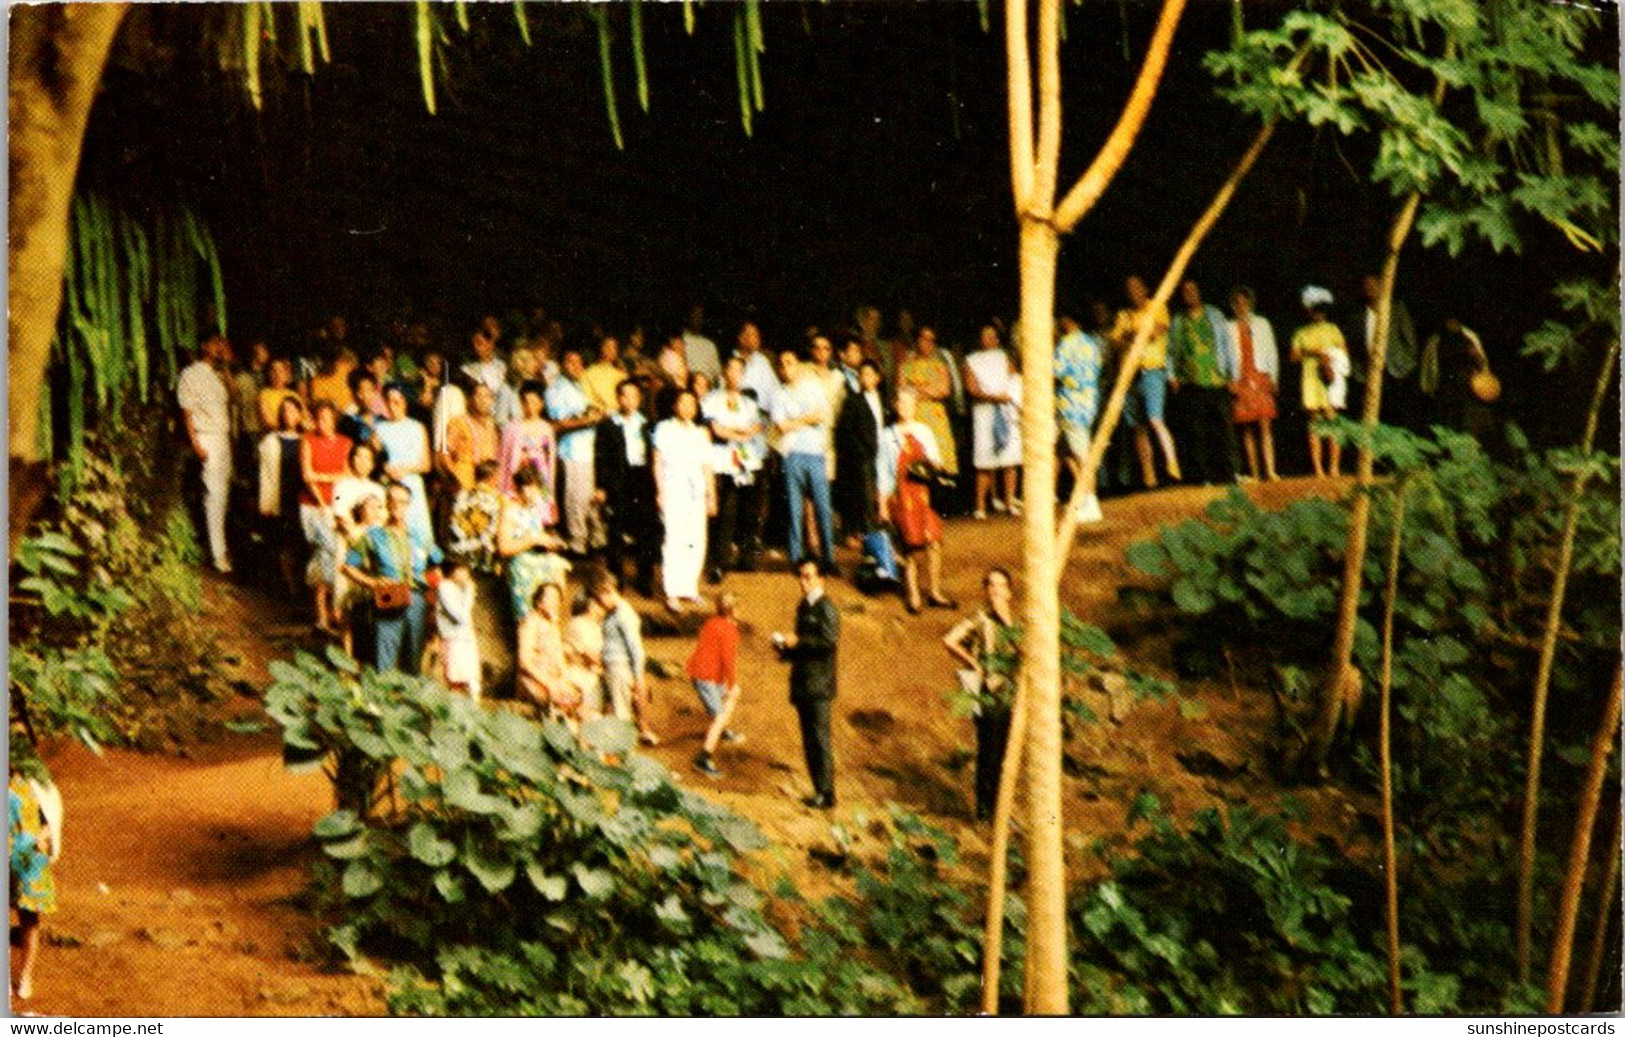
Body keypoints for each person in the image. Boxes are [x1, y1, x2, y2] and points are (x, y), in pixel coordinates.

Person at [942, 568, 1021, 821]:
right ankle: (986, 810)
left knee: (1003, 753)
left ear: (1009, 591)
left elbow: (1025, 652)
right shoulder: (979, 618)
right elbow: (950, 640)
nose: (995, 590)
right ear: (985, 590)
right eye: (991, 585)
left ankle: (999, 807)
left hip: (1009, 694)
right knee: (988, 750)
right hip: (984, 692)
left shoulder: (1016, 623)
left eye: (1000, 586)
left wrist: (1006, 621)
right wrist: (973, 663)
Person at [343, 481, 441, 674]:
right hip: (388, 594)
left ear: (409, 505)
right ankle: (381, 700)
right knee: (385, 655)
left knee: (414, 659)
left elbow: (438, 566)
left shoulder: (420, 536)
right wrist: (372, 582)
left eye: (403, 502)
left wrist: (436, 597)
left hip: (418, 599)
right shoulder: (374, 535)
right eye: (392, 500)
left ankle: (410, 700)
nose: (397, 505)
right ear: (386, 504)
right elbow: (347, 566)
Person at [879, 388, 956, 614]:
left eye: (909, 403)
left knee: (934, 543)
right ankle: (913, 595)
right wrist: (883, 504)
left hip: (925, 494)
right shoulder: (887, 435)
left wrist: (933, 467)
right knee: (910, 547)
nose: (905, 407)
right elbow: (883, 472)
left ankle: (934, 591)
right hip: (902, 496)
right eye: (901, 403)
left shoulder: (924, 431)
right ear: (895, 406)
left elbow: (936, 461)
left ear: (915, 406)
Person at [772, 559, 840, 809]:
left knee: (819, 738)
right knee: (810, 739)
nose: (803, 582)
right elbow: (805, 643)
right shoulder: (804, 606)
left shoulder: (826, 608)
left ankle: (826, 791)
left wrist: (796, 643)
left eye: (808, 576)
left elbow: (828, 642)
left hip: (819, 683)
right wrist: (785, 651)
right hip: (804, 682)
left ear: (821, 578)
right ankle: (819, 789)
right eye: (801, 576)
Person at [1110, 275, 1182, 488]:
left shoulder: (1156, 306)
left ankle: (1171, 461)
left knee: (1155, 419)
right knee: (1137, 427)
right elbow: (1114, 341)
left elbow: (1156, 332)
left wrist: (1131, 334)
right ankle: (1148, 476)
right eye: (1129, 288)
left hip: (1152, 370)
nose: (1133, 291)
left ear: (1144, 288)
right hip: (1130, 375)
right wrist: (1132, 334)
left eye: (1136, 287)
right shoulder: (1124, 314)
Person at [1167, 279, 1240, 486]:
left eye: (1193, 290)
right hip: (1191, 381)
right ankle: (1203, 476)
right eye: (1185, 291)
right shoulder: (1179, 320)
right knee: (1196, 432)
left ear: (1199, 292)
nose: (1190, 294)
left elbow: (1228, 344)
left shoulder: (1215, 315)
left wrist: (1233, 375)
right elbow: (1172, 351)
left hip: (1217, 379)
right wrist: (1172, 375)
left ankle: (1230, 473)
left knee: (1224, 429)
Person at [772, 349, 839, 575]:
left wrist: (795, 421)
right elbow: (781, 426)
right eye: (782, 364)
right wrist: (805, 419)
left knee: (823, 508)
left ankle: (828, 558)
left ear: (798, 365)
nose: (786, 367)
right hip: (792, 455)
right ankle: (795, 558)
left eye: (790, 362)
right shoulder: (778, 394)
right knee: (794, 509)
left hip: (815, 453)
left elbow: (820, 415)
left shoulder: (812, 388)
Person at [703, 355, 767, 580]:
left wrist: (737, 432)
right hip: (722, 460)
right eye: (731, 370)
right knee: (725, 512)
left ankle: (747, 557)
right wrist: (739, 433)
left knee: (749, 511)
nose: (735, 375)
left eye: (740, 371)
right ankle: (719, 561)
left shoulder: (748, 402)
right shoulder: (712, 399)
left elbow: (756, 427)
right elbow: (716, 430)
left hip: (746, 460)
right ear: (724, 372)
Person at [653, 389, 717, 612]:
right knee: (674, 538)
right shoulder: (664, 429)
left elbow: (706, 466)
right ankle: (672, 591)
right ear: (674, 406)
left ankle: (689, 587)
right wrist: (660, 491)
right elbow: (658, 462)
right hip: (673, 488)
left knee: (696, 538)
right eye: (683, 402)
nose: (688, 407)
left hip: (696, 490)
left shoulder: (700, 433)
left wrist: (711, 495)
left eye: (692, 403)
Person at [595, 379, 659, 597]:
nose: (629, 400)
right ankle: (616, 579)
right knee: (616, 530)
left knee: (646, 531)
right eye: (625, 396)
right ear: (618, 398)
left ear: (639, 399)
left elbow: (655, 455)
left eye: (634, 396)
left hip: (643, 478)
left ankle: (644, 578)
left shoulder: (648, 424)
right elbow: (600, 458)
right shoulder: (608, 425)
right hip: (618, 480)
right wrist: (601, 486)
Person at [178, 334, 236, 573]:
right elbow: (187, 412)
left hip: (223, 437)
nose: (220, 348)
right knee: (215, 494)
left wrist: (226, 368)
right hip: (206, 437)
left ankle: (218, 547)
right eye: (215, 343)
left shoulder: (219, 374)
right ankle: (218, 554)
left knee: (222, 494)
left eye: (222, 344)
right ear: (204, 345)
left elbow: (233, 396)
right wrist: (195, 443)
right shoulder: (190, 374)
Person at [8, 742, 60, 1001]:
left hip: (29, 859)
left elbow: (52, 817)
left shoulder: (35, 780)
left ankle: (24, 975)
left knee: (29, 920)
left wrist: (43, 835)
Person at [299, 403, 355, 633]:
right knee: (326, 553)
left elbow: (347, 474)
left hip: (338, 505)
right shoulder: (308, 441)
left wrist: (323, 478)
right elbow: (307, 475)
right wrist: (323, 502)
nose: (324, 423)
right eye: (320, 418)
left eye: (328, 418)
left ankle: (331, 614)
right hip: (314, 505)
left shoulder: (345, 443)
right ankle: (325, 615)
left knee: (334, 555)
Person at [963, 324, 1022, 518]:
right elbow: (971, 389)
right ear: (980, 339)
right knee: (984, 461)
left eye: (993, 336)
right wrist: (994, 397)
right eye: (985, 335)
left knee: (1010, 460)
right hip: (984, 413)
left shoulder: (1004, 357)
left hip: (1006, 410)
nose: (990, 339)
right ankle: (980, 506)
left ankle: (1010, 502)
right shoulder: (971, 360)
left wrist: (1010, 398)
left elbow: (1015, 380)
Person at [1291, 285, 1351, 478]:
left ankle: (1334, 467)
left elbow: (1344, 352)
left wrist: (1329, 356)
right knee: (1315, 422)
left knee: (1332, 419)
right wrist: (1312, 351)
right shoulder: (1301, 332)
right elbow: (1293, 356)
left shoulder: (1333, 329)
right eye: (1314, 310)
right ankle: (1318, 469)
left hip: (1329, 375)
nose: (1318, 314)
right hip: (1310, 377)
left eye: (1321, 310)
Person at [498, 461, 571, 621]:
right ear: (519, 488)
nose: (534, 494)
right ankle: (528, 621)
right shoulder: (510, 510)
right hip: (519, 560)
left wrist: (550, 543)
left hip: (536, 557)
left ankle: (550, 620)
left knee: (558, 567)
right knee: (543, 572)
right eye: (529, 488)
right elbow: (504, 548)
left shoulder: (533, 508)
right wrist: (532, 540)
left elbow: (538, 536)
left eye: (537, 488)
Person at [548, 351, 603, 555]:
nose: (576, 366)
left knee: (589, 498)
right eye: (571, 362)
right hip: (571, 450)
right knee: (575, 498)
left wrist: (594, 414)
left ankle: (595, 540)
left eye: (580, 362)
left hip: (588, 449)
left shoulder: (578, 387)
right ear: (563, 365)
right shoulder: (556, 389)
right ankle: (576, 542)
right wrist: (587, 420)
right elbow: (559, 423)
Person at [594, 571, 659, 745]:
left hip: (620, 668)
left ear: (608, 591)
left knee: (621, 711)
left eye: (600, 597)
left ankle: (623, 749)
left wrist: (638, 677)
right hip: (612, 667)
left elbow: (636, 649)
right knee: (616, 708)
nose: (599, 603)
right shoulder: (613, 613)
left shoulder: (624, 614)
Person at [687, 591, 746, 778]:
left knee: (724, 697)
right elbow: (728, 660)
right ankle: (703, 758)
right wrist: (733, 684)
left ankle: (724, 731)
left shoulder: (711, 622)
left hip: (705, 674)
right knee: (720, 715)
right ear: (732, 610)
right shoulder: (729, 630)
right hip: (706, 677)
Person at [1054, 314, 1105, 524]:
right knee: (1069, 454)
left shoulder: (1066, 344)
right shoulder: (1091, 343)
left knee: (1081, 455)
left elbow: (1055, 370)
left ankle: (1091, 503)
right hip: (1088, 401)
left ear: (1067, 321)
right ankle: (1084, 498)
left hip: (1072, 404)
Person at [1227, 286, 1280, 482]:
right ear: (1233, 306)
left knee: (1265, 424)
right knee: (1247, 427)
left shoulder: (1262, 324)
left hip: (1260, 375)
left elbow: (1272, 351)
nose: (1241, 306)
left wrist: (1274, 377)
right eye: (1237, 303)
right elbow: (1225, 356)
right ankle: (1255, 473)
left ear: (1250, 304)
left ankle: (1271, 470)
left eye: (1245, 303)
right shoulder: (1228, 327)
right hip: (1240, 377)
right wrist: (1229, 379)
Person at [897, 327, 960, 488]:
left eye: (931, 340)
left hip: (936, 416)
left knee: (939, 455)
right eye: (924, 338)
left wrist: (916, 389)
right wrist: (930, 389)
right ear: (917, 340)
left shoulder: (940, 366)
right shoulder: (905, 365)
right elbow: (902, 389)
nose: (927, 343)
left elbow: (944, 390)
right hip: (914, 414)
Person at [258, 396, 308, 596]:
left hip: (303, 497)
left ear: (299, 414)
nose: (289, 414)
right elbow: (265, 474)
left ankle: (303, 583)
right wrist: (266, 502)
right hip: (281, 497)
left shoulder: (307, 439)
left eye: (293, 410)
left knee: (302, 542)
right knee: (285, 543)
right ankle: (290, 586)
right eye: (285, 410)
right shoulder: (270, 440)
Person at [1359, 273, 1422, 430]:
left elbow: (1410, 340)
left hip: (1396, 370)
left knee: (1399, 417)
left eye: (1374, 285)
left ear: (1381, 286)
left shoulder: (1396, 307)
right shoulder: (1361, 314)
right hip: (1370, 372)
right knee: (1375, 417)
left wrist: (1407, 363)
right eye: (1367, 286)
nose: (1371, 289)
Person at [374, 383, 435, 544]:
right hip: (390, 485)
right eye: (389, 401)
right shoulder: (380, 428)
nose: (393, 406)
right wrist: (385, 468)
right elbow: (375, 459)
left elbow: (426, 464)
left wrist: (405, 470)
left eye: (397, 401)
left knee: (417, 534)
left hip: (411, 483)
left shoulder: (417, 427)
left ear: (405, 402)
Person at [834, 360, 886, 545]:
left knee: (881, 492)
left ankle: (879, 532)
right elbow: (844, 431)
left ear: (877, 378)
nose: (866, 378)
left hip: (883, 452)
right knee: (862, 495)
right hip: (862, 456)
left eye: (870, 374)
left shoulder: (884, 399)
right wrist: (861, 451)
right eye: (862, 374)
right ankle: (862, 533)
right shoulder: (853, 400)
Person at [1420, 316, 1495, 440]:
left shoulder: (1469, 337)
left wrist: (1484, 381)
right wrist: (1429, 388)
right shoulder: (1435, 340)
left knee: (1468, 425)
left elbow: (1482, 362)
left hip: (1468, 388)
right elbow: (1429, 367)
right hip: (1447, 389)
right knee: (1450, 425)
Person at [517, 582, 580, 721]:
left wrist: (565, 678)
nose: (554, 602)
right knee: (558, 697)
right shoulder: (530, 623)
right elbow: (524, 662)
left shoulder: (552, 623)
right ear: (539, 601)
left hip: (552, 677)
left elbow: (558, 657)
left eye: (557, 599)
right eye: (550, 598)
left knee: (576, 694)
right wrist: (547, 682)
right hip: (533, 679)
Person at [438, 381, 499, 496]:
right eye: (478, 395)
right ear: (470, 399)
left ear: (492, 400)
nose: (483, 400)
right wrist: (454, 480)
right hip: (464, 482)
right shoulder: (458, 422)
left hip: (488, 484)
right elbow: (443, 454)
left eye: (487, 396)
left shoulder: (492, 426)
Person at [437, 557, 481, 702]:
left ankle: (475, 707)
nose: (465, 574)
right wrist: (469, 593)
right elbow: (461, 616)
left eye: (466, 570)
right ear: (451, 572)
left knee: (472, 677)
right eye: (460, 570)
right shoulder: (445, 587)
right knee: (455, 678)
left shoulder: (462, 587)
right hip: (453, 639)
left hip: (466, 639)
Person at [257, 354, 303, 433]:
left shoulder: (293, 394)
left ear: (286, 374)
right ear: (269, 374)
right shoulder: (264, 394)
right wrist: (290, 427)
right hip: (274, 436)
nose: (277, 374)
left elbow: (304, 417)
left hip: (294, 435)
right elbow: (269, 422)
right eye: (274, 371)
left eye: (281, 371)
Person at [582, 335, 627, 415]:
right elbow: (588, 400)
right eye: (607, 346)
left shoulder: (622, 374)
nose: (610, 350)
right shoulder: (589, 373)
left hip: (622, 415)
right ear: (600, 348)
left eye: (614, 347)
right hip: (601, 416)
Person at [682, 304, 723, 383]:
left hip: (707, 388)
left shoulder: (709, 345)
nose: (698, 319)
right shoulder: (681, 341)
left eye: (700, 316)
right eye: (695, 315)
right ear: (688, 317)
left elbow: (717, 374)